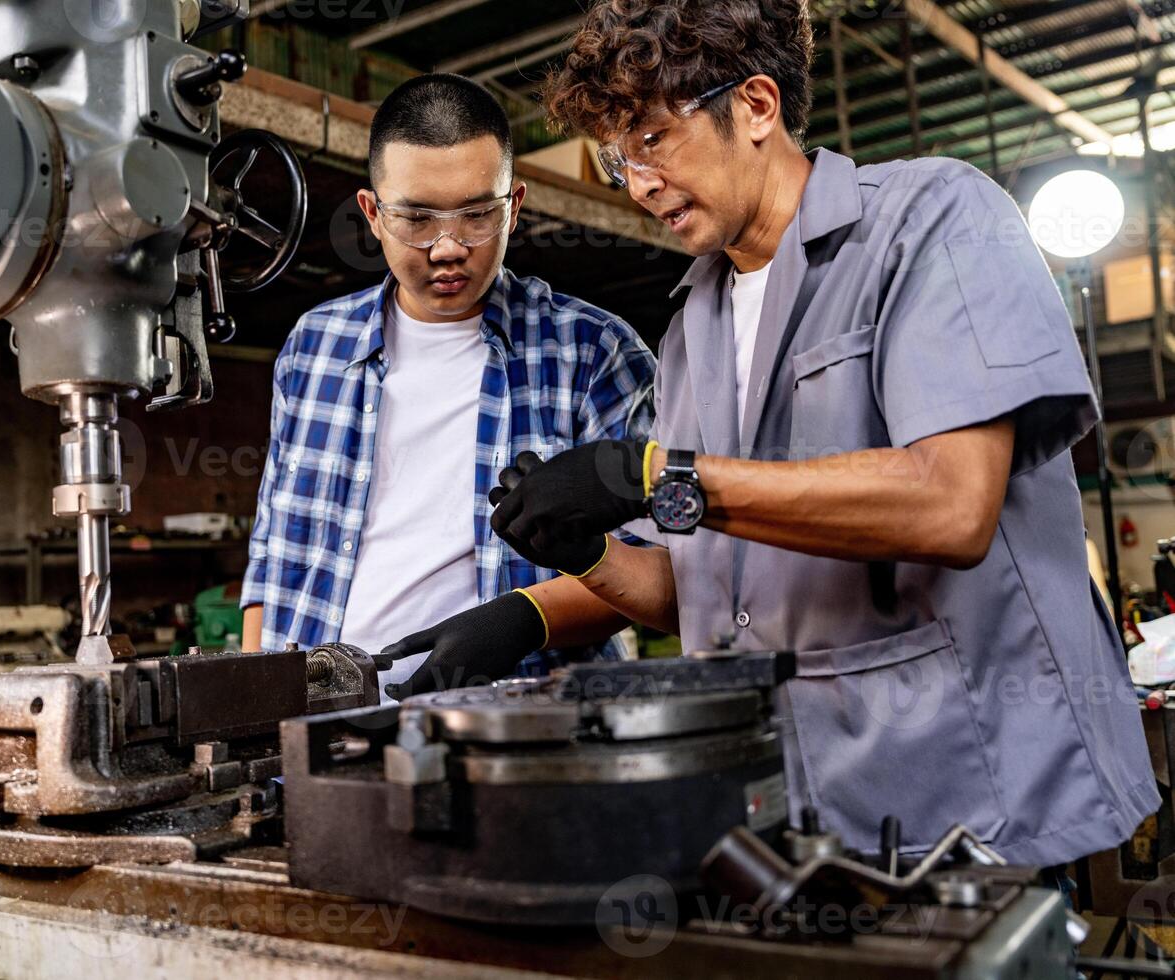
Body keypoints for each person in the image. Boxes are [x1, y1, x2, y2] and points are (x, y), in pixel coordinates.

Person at [382, 0, 1158, 870]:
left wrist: (651, 473)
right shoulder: (693, 324)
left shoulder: (930, 218)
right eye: (616, 156)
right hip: (792, 812)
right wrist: (581, 554)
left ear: (755, 106)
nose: (636, 183)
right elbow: (695, 595)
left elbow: (951, 505)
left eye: (651, 141)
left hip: (963, 798)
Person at [240, 73, 657, 698]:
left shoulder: (594, 352)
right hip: (321, 736)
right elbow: (276, 548)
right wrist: (255, 713)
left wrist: (526, 621)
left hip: (518, 736)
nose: (446, 247)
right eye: (415, 218)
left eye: (476, 215)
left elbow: (652, 575)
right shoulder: (314, 344)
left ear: (514, 207)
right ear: (373, 213)